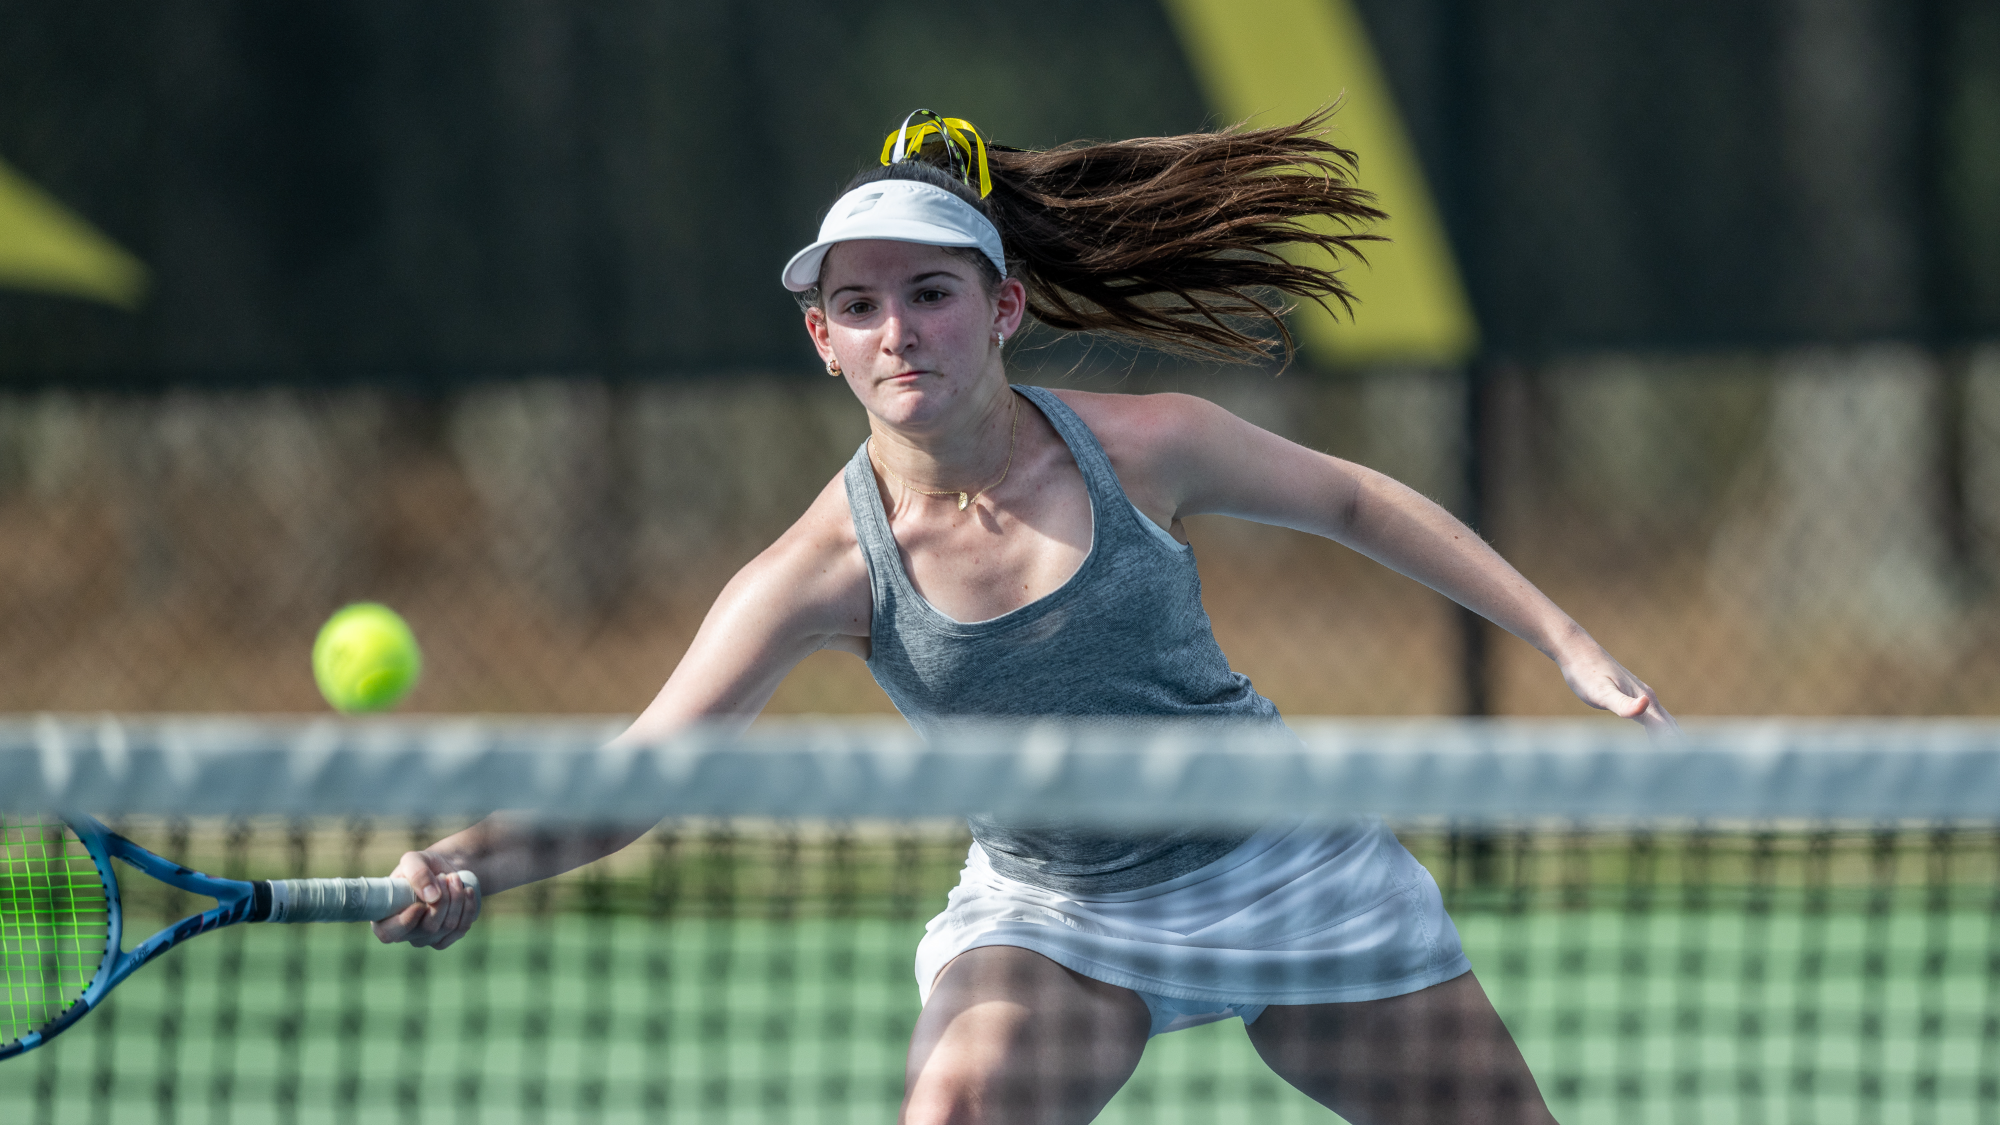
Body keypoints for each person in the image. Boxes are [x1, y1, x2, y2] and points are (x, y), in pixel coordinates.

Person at [374, 109, 1674, 1124]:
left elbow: (1351, 499)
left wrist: (1567, 640)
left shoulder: (1143, 446)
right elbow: (646, 768)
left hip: (1277, 862)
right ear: (821, 340)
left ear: (1001, 309)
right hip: (1058, 916)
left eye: (931, 293)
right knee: (955, 1109)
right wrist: (475, 856)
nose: (899, 333)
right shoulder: (820, 569)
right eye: (860, 305)